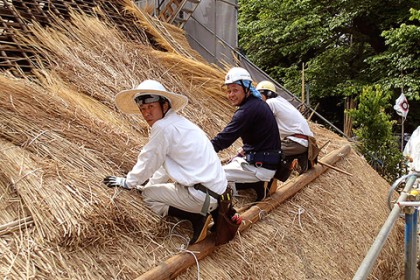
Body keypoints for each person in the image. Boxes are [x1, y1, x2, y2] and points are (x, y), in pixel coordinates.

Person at [103, 80, 228, 245]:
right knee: (149, 189)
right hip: (216, 191)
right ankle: (201, 212)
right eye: (143, 109)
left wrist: (128, 182)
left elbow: (149, 159)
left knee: (147, 196)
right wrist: (149, 184)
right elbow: (163, 163)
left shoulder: (163, 128)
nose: (146, 113)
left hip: (202, 197)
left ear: (164, 105)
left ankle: (197, 218)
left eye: (151, 107)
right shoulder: (181, 124)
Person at [211, 67, 282, 201]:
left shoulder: (247, 111)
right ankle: (250, 187)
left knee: (214, 177)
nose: (231, 94)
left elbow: (223, 140)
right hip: (265, 161)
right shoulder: (257, 104)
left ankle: (232, 201)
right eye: (229, 90)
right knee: (229, 166)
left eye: (235, 90)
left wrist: (200, 152)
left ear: (247, 88)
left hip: (261, 167)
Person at [256, 80, 317, 173]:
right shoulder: (281, 102)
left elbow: (260, 123)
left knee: (260, 155)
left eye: (259, 95)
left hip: (295, 142)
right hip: (303, 142)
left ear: (268, 93)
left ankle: (262, 184)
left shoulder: (270, 102)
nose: (257, 98)